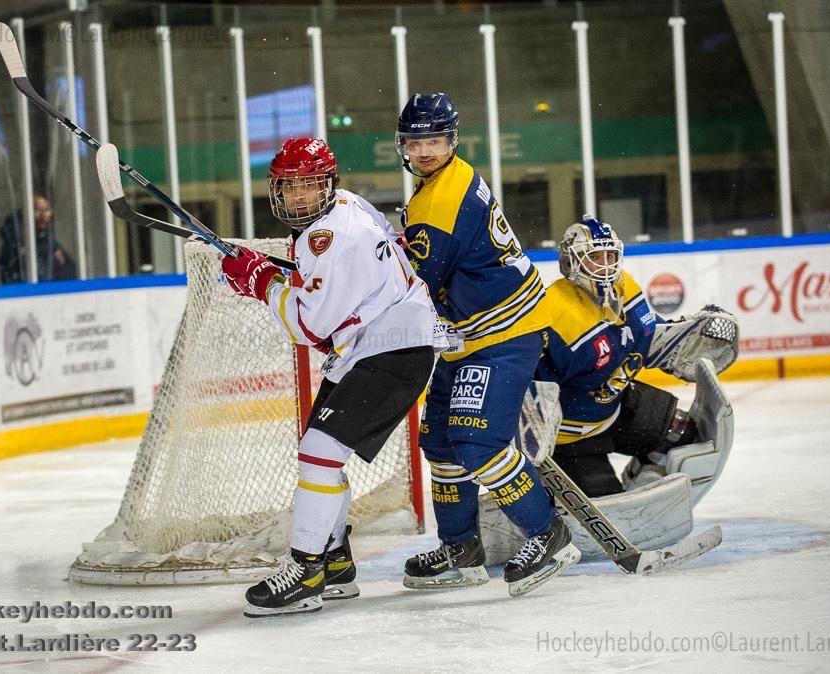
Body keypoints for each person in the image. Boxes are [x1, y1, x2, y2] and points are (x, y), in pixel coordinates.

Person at [221, 137, 444, 618]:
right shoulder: (349, 206)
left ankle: (306, 570)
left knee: (319, 455)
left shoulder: (327, 237)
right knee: (321, 455)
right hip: (378, 343)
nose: (300, 196)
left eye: (309, 185)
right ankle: (336, 564)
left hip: (391, 349)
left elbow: (308, 327)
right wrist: (275, 275)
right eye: (290, 186)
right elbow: (359, 275)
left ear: (328, 183)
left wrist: (260, 282)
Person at [395, 93, 580, 597]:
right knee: (439, 444)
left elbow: (414, 285)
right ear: (403, 145)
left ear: (451, 141)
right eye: (416, 141)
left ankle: (549, 535)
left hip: (503, 334)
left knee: (478, 444)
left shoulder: (439, 200)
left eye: (435, 140)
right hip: (467, 334)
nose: (425, 150)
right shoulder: (443, 180)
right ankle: (462, 549)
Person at [533, 215, 734, 497]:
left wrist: (677, 337)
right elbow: (523, 382)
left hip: (619, 406)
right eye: (594, 257)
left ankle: (642, 483)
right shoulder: (553, 312)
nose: (605, 265)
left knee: (688, 437)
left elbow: (644, 335)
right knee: (609, 512)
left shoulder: (625, 286)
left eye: (610, 255)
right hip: (572, 438)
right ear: (569, 262)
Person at [0, 194, 77, 283]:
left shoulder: (47, 239)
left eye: (46, 210)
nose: (43, 216)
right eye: (37, 210)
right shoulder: (15, 242)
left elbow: (69, 271)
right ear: (26, 213)